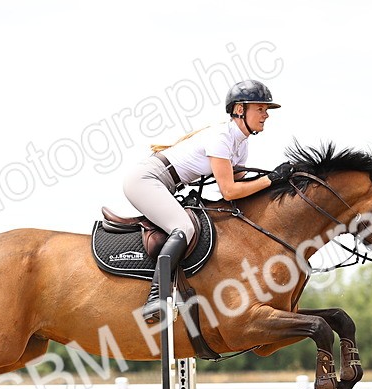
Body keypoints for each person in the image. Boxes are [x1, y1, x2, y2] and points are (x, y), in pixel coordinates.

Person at [123, 79, 294, 322]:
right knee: (184, 227)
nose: (266, 115)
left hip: (165, 183)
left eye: (266, 110)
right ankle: (155, 299)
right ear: (239, 110)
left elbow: (243, 189)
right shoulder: (222, 137)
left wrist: (278, 181)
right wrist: (271, 180)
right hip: (146, 180)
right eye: (260, 109)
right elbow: (230, 191)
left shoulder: (240, 145)